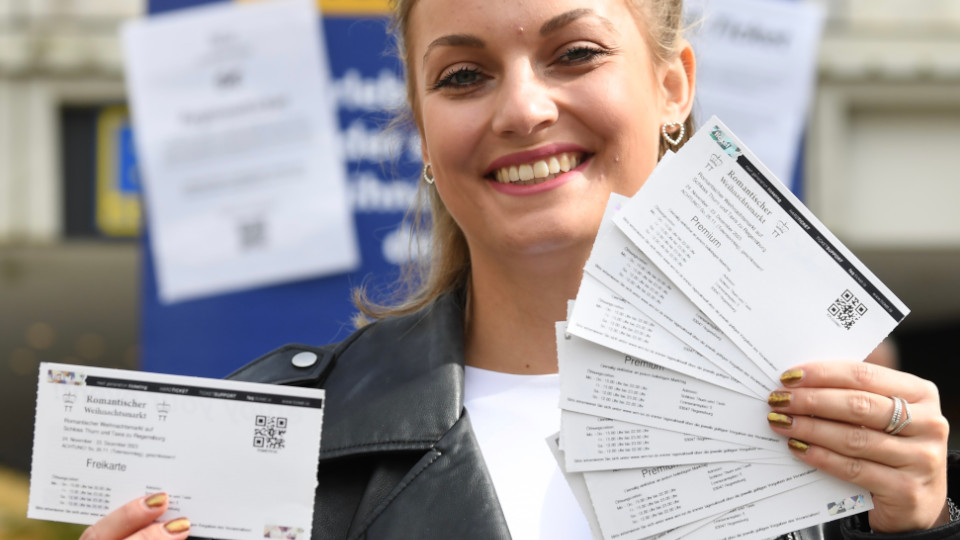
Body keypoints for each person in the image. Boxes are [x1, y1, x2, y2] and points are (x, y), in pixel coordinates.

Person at [82, 0, 957, 538]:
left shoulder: (828, 422)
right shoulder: (280, 439)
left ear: (674, 87)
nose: (524, 109)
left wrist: (918, 530)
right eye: (464, 75)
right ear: (423, 129)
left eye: (575, 54)